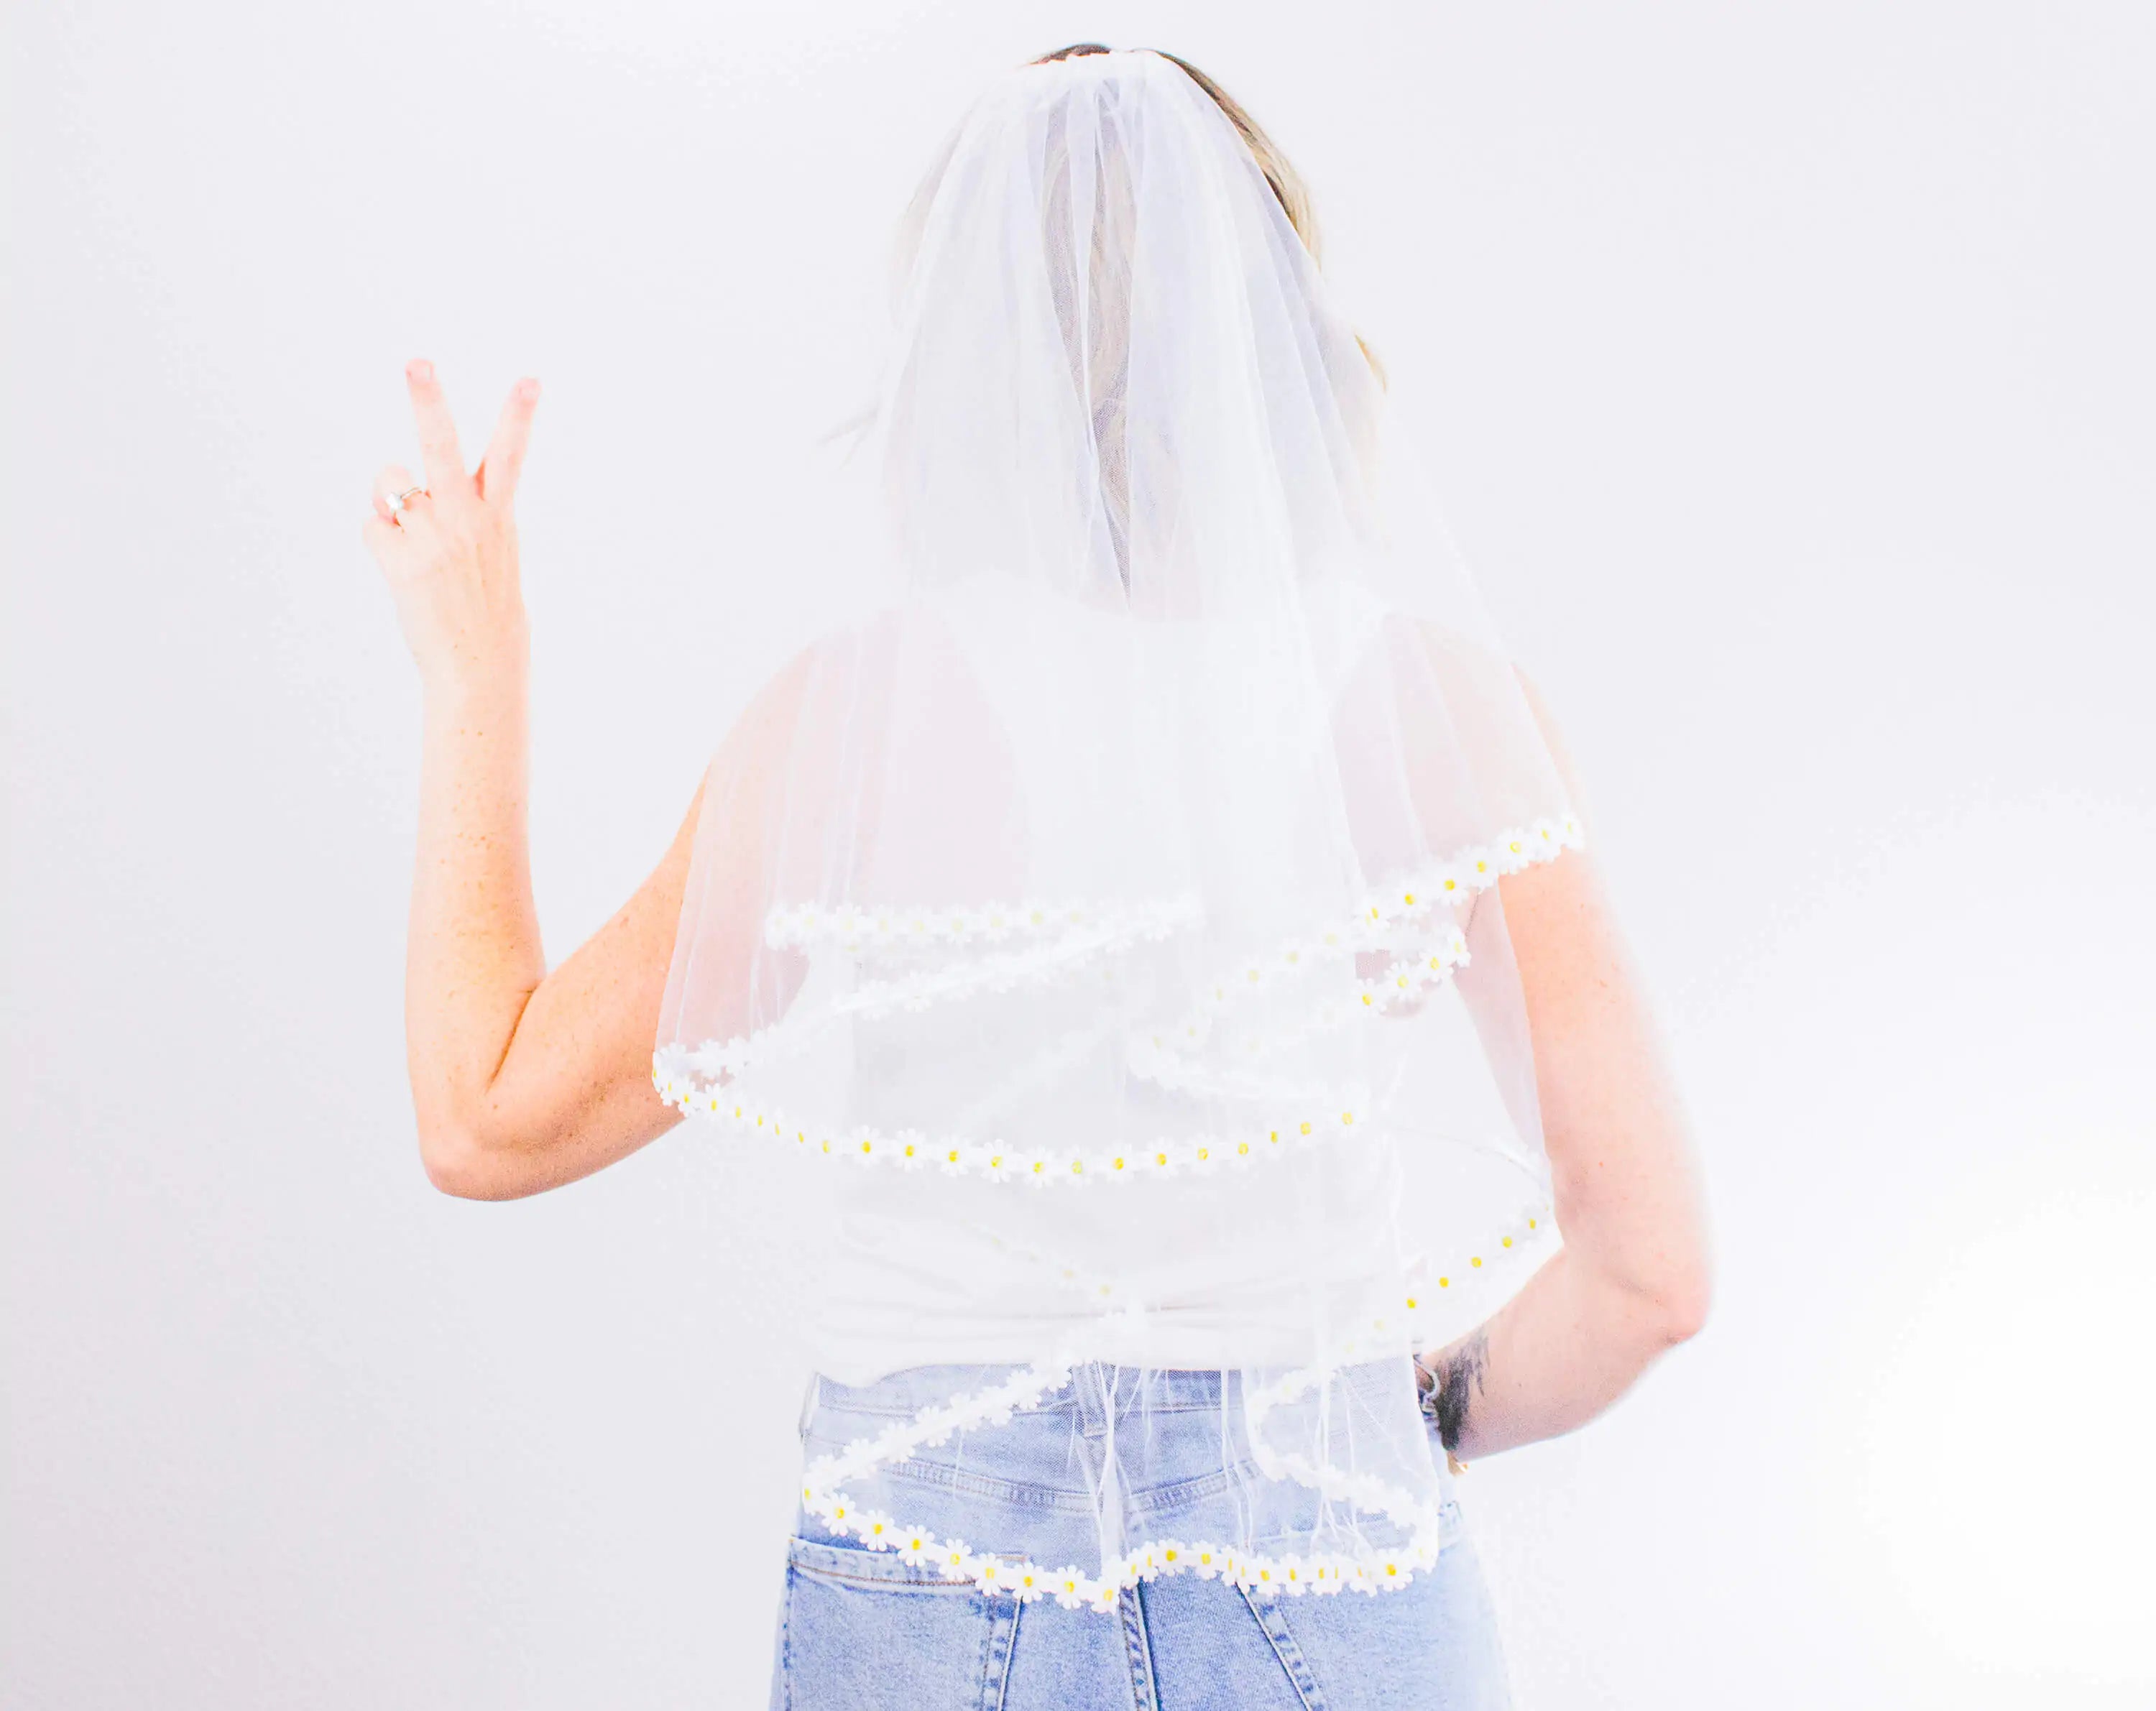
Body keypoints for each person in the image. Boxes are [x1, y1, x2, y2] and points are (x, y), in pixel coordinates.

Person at [361, 43, 1709, 1711]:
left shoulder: (855, 726)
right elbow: (1654, 1278)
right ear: (1274, 328)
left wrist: (474, 666)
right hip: (1338, 1563)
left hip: (933, 1576)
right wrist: (1402, 1412)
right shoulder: (1440, 716)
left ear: (966, 351)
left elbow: (485, 1118)